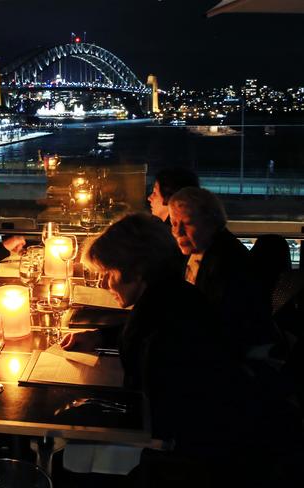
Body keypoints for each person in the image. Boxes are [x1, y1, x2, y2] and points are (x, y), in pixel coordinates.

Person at [62, 214, 301, 482]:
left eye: (110, 273)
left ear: (138, 270)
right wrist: (101, 337)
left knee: (68, 461)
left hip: (200, 459)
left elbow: (162, 421)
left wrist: (87, 407)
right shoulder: (174, 296)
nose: (105, 284)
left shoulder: (167, 334)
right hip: (226, 436)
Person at [168, 187, 277, 359]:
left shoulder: (229, 263)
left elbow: (223, 323)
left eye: (187, 223)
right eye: (174, 223)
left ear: (211, 222)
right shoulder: (195, 251)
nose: (177, 231)